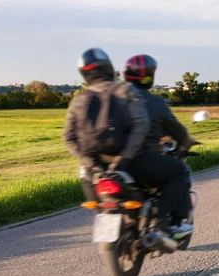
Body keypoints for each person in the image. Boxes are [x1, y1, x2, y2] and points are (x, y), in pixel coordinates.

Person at [64, 48, 193, 240]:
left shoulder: (79, 99)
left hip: (95, 168)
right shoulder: (126, 92)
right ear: (109, 68)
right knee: (179, 172)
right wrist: (124, 157)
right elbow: (141, 125)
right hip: (132, 160)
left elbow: (69, 137)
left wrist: (90, 162)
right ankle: (162, 223)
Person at [123, 54, 198, 237]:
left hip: (111, 160)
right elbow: (178, 131)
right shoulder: (155, 102)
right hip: (140, 159)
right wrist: (186, 142)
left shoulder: (114, 97)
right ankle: (163, 222)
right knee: (179, 171)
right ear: (150, 77)